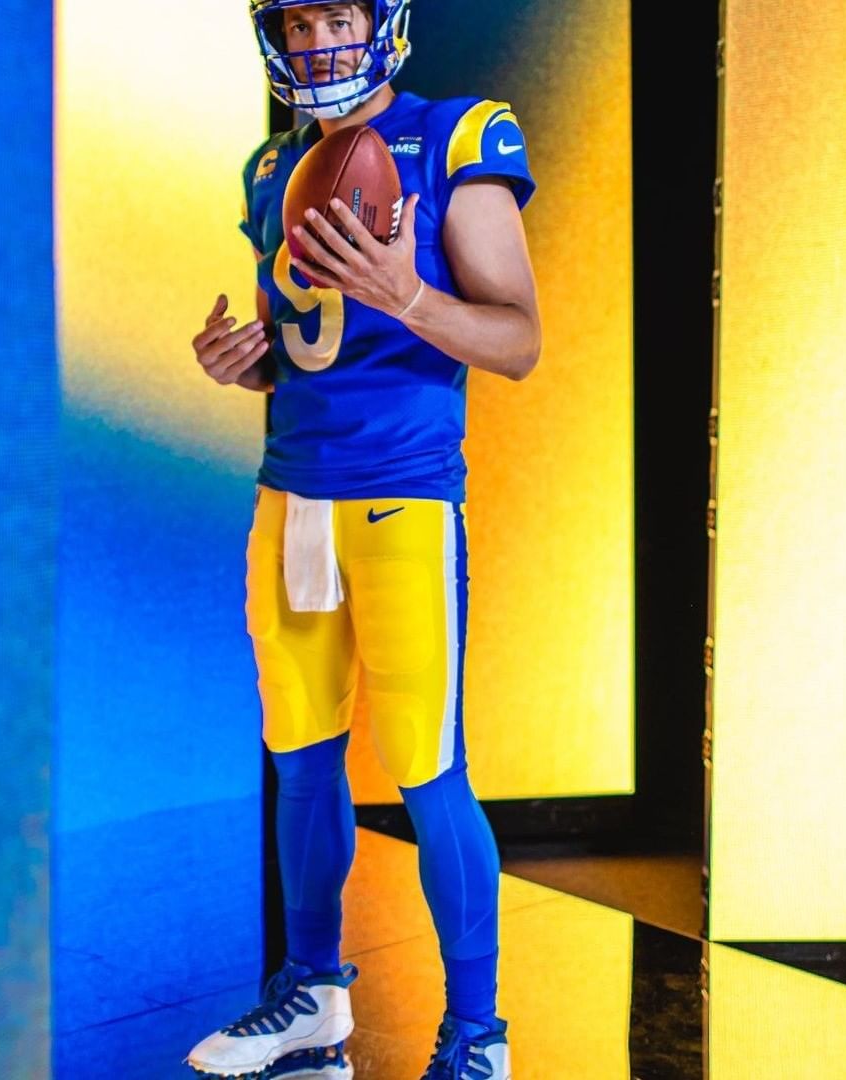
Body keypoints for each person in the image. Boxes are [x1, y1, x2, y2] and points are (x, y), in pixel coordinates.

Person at [186, 2, 539, 1077]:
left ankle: (476, 1039)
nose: (315, 45)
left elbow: (518, 339)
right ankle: (311, 1000)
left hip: (402, 498)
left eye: (336, 17)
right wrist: (242, 359)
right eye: (296, 25)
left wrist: (411, 295)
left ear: (383, 21)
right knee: (298, 759)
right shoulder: (269, 168)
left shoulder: (461, 136)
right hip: (292, 495)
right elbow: (303, 349)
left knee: (428, 772)